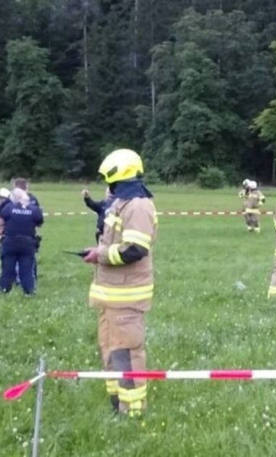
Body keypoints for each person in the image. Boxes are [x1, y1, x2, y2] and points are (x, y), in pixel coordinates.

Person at [81, 148, 158, 417]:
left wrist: (100, 255)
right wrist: (97, 251)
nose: (108, 185)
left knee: (126, 353)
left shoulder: (138, 205)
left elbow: (135, 250)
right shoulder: (121, 203)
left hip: (127, 296)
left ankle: (132, 409)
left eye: (109, 180)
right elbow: (116, 243)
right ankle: (117, 403)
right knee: (111, 351)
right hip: (111, 297)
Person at [0, 189, 43, 295]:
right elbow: (39, 223)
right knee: (27, 269)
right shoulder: (34, 209)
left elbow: (2, 222)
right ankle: (29, 291)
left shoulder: (8, 208)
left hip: (10, 241)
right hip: (27, 242)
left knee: (7, 268)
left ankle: (4, 289)